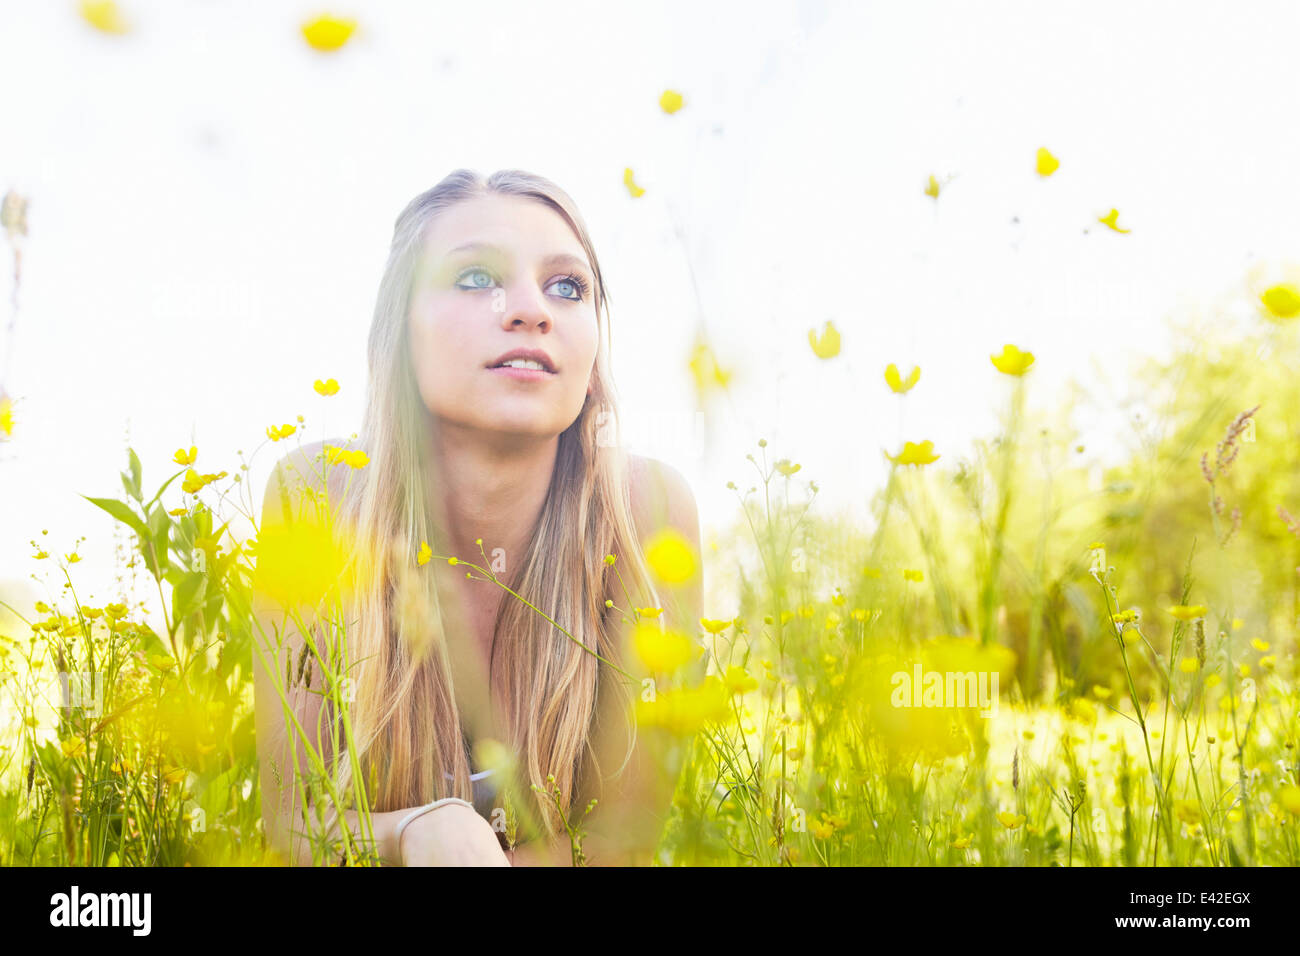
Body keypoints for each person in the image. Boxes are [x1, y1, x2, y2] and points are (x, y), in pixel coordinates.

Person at [253, 169, 703, 867]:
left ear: (592, 358)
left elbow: (625, 842)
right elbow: (289, 824)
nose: (531, 309)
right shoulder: (317, 498)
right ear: (399, 333)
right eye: (474, 278)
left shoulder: (649, 514)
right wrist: (413, 834)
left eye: (567, 286)